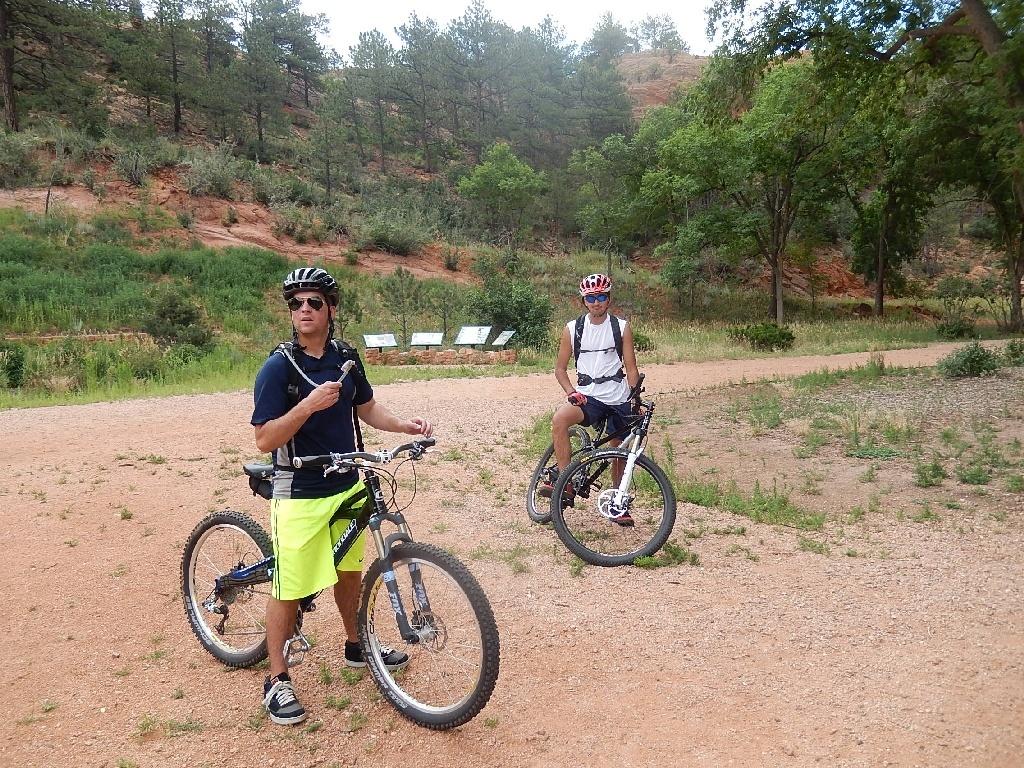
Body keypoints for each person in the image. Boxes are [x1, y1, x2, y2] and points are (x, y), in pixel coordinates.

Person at [251, 266, 433, 726]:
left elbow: (366, 406)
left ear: (331, 308)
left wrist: (404, 425)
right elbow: (265, 439)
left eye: (314, 302)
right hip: (300, 490)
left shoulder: (346, 357)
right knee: (289, 587)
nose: (304, 310)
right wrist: (308, 405)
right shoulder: (279, 368)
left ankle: (357, 644)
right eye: (296, 304)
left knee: (348, 571)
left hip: (347, 481)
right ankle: (276, 678)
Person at [540, 273, 640, 524]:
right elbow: (560, 369)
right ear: (583, 301)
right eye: (591, 298)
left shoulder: (621, 327)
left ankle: (618, 502)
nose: (597, 302)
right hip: (588, 397)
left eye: (602, 297)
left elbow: (630, 367)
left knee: (618, 447)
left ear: (609, 299)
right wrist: (570, 391)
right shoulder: (573, 329)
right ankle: (566, 482)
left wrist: (635, 398)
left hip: (617, 396)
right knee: (560, 420)